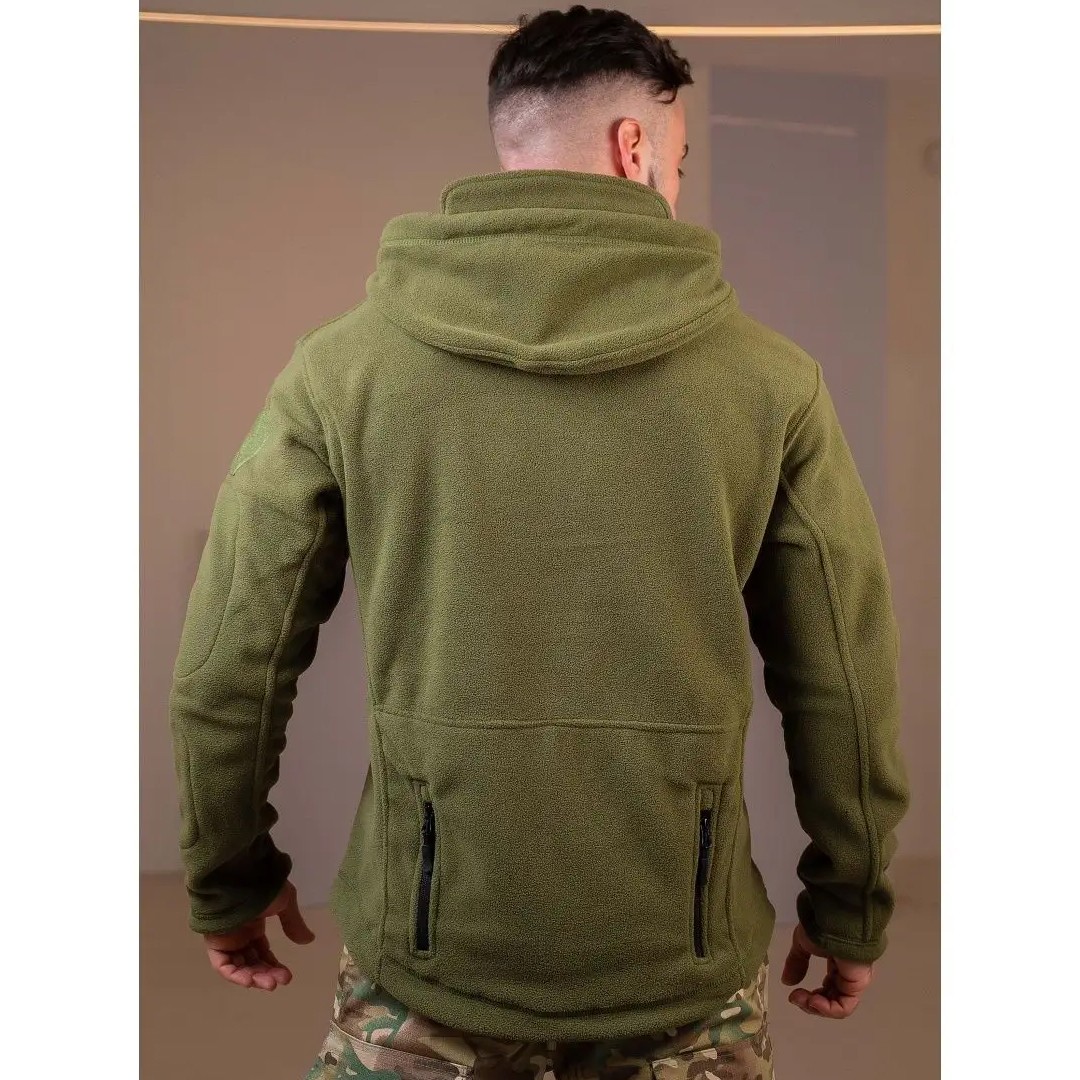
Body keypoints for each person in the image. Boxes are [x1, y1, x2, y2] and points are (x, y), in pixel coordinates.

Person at [168, 7, 911, 1079]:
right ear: (634, 146)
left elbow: (231, 661)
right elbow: (844, 675)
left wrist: (228, 878)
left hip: (424, 964)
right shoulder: (772, 382)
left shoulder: (342, 369)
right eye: (680, 160)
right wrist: (849, 905)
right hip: (683, 970)